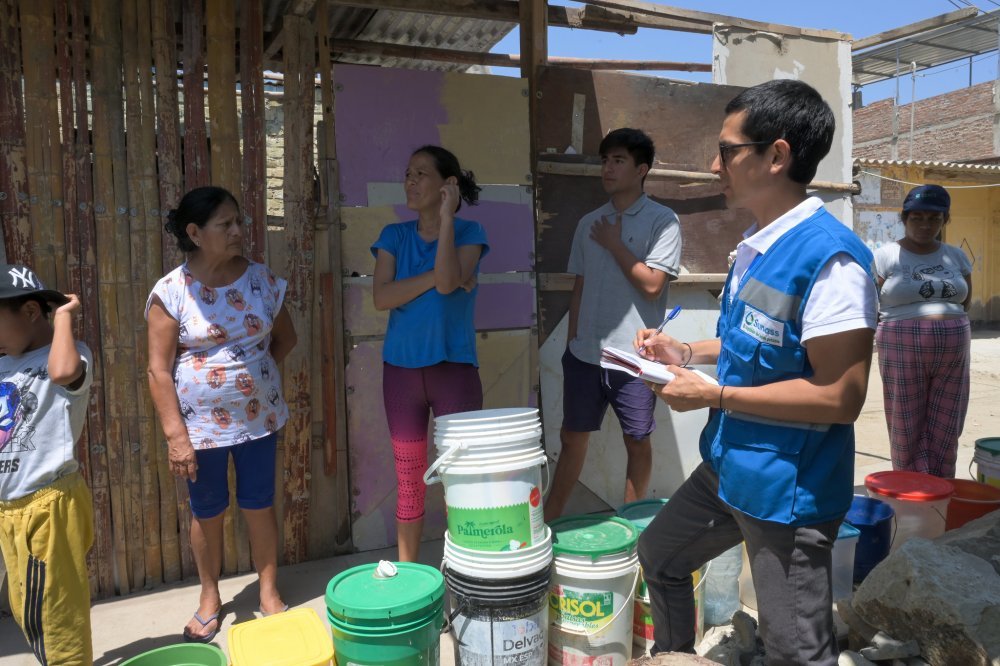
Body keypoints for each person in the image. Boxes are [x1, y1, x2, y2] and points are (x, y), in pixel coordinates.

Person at [634, 80, 878, 664]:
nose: (713, 164)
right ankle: (674, 657)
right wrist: (685, 352)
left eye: (726, 150)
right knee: (661, 555)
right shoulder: (758, 244)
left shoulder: (833, 261)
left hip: (787, 488)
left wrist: (716, 396)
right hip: (732, 465)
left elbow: (840, 395)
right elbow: (756, 341)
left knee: (795, 651)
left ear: (777, 156)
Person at [146, 186, 297, 642]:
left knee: (259, 504)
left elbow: (285, 339)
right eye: (224, 224)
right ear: (194, 233)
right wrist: (176, 436)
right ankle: (210, 597)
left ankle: (268, 592)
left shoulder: (261, 281)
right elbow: (157, 369)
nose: (237, 231)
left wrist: (252, 377)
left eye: (238, 221)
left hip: (259, 421)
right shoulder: (171, 292)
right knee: (206, 510)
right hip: (199, 430)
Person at [544, 128, 681, 521]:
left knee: (637, 440)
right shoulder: (590, 221)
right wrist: (573, 342)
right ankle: (551, 520)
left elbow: (654, 286)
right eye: (605, 160)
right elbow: (580, 285)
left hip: (636, 358)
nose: (608, 167)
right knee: (572, 438)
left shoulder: (663, 221)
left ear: (641, 170)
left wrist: (615, 243)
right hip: (585, 354)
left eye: (618, 160)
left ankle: (630, 523)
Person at [371, 145, 489, 562]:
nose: (411, 181)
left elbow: (444, 284)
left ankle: (467, 566)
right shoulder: (393, 236)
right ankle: (409, 574)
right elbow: (382, 298)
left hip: (454, 370)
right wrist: (446, 277)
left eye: (421, 174)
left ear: (447, 185)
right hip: (401, 374)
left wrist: (445, 220)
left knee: (462, 476)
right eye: (408, 173)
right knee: (409, 477)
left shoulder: (469, 233)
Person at [0, 264, 94, 665]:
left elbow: (63, 372)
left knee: (55, 613)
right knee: (26, 608)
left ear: (31, 312)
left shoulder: (71, 354)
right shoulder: (4, 363)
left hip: (49, 504)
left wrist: (64, 317)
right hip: (9, 509)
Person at [874, 184, 972, 478]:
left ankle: (941, 488)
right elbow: (871, 304)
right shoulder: (886, 256)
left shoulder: (956, 257)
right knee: (906, 422)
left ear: (944, 221)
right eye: (917, 218)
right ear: (904, 219)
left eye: (934, 218)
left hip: (954, 349)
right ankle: (909, 488)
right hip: (901, 346)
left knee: (948, 421)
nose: (925, 225)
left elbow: (965, 302)